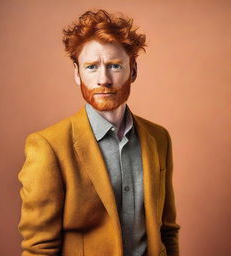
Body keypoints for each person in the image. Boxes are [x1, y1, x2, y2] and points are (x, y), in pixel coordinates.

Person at [18, 9, 180, 256]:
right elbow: (39, 249)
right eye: (91, 67)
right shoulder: (48, 146)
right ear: (77, 73)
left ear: (133, 71)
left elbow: (167, 231)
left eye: (115, 66)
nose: (103, 79)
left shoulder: (158, 138)